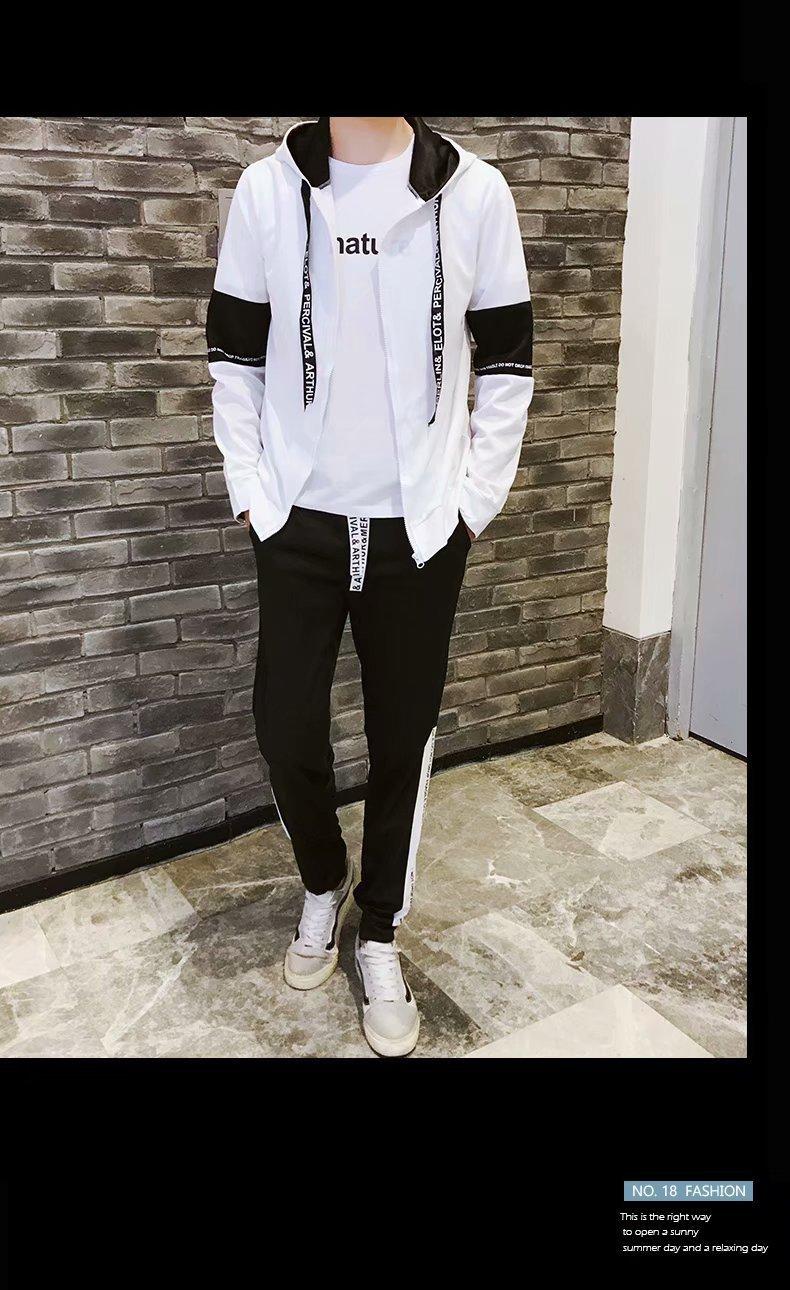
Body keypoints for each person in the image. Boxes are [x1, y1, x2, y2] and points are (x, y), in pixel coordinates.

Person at [207, 115, 533, 1057]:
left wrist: (473, 503)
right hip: (298, 522)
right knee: (284, 725)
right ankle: (324, 879)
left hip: (420, 528)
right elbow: (233, 356)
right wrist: (252, 494)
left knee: (404, 737)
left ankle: (380, 929)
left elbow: (507, 361)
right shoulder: (268, 191)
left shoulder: (475, 193)